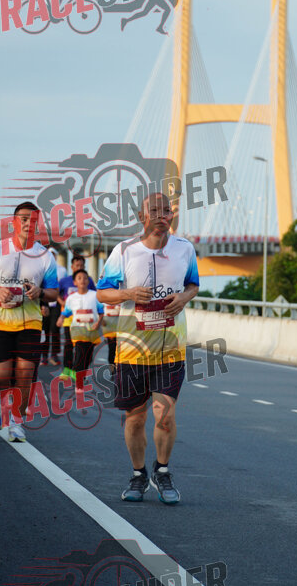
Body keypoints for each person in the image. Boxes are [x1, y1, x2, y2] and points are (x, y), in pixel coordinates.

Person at [97, 191, 199, 505]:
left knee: (164, 415)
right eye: (153, 210)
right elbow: (102, 293)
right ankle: (139, 474)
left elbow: (193, 284)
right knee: (135, 419)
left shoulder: (185, 249)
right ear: (141, 216)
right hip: (132, 349)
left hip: (171, 348)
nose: (161, 215)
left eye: (166, 210)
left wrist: (183, 298)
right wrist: (127, 293)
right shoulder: (124, 251)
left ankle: (163, 471)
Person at [0, 202, 59, 442]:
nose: (27, 223)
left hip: (30, 323)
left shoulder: (45, 256)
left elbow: (54, 293)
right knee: (1, 377)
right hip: (0, 321)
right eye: (23, 219)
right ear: (13, 222)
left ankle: (16, 422)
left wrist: (40, 292)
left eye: (33, 220)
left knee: (25, 375)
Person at [57, 269, 103, 394]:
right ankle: (79, 381)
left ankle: (81, 374)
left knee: (88, 357)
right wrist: (61, 318)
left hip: (91, 330)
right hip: (77, 330)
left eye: (85, 278)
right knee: (79, 353)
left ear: (88, 281)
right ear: (75, 282)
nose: (83, 280)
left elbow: (101, 311)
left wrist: (99, 323)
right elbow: (66, 312)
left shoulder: (95, 295)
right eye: (79, 278)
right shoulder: (71, 298)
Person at [57, 256, 96, 381]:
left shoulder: (89, 280)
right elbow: (56, 293)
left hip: (85, 320)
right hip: (69, 319)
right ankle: (67, 370)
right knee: (69, 344)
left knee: (85, 347)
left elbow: (95, 297)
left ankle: (80, 370)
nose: (79, 268)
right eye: (77, 265)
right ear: (72, 267)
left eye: (81, 266)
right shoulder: (64, 281)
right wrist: (63, 303)